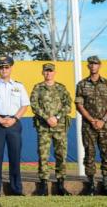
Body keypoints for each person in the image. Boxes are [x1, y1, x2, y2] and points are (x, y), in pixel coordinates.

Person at [0, 55, 29, 197]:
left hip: (14, 123)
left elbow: (24, 105)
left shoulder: (19, 86)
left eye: (6, 67)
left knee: (15, 157)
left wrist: (14, 118)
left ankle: (16, 189)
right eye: (1, 67)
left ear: (11, 68)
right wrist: (0, 120)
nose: (4, 69)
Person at [76, 55, 107, 196]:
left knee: (106, 154)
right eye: (91, 64)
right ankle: (91, 185)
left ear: (100, 65)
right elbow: (79, 105)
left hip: (104, 126)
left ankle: (106, 184)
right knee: (89, 154)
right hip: (88, 126)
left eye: (96, 64)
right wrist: (92, 120)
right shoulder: (82, 84)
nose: (93, 66)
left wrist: (103, 120)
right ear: (88, 66)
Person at [30, 62, 71, 196]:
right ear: (43, 72)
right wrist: (47, 117)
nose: (48, 73)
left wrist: (57, 117)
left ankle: (60, 184)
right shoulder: (38, 88)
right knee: (43, 155)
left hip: (59, 127)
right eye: (46, 71)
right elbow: (34, 105)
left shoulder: (61, 88)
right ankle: (43, 185)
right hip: (43, 126)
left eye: (51, 71)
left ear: (54, 72)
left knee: (61, 154)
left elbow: (68, 105)